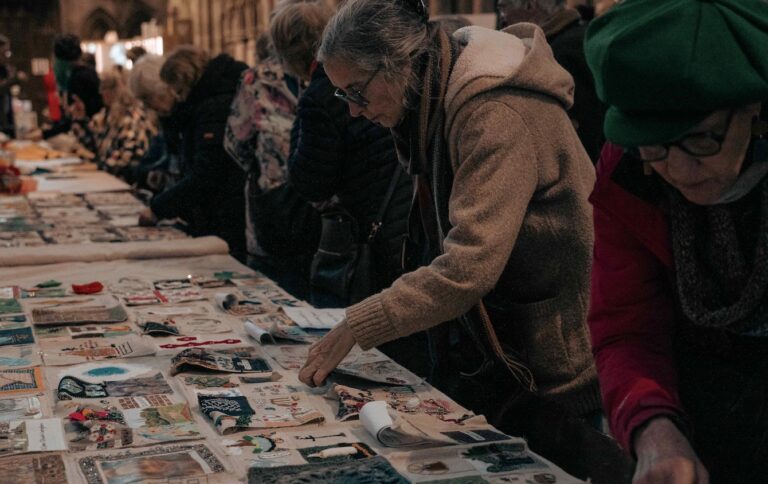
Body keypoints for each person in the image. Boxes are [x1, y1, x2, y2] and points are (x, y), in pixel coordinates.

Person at [300, 0, 599, 430]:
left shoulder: (493, 112)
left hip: (553, 371)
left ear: (397, 63)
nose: (353, 110)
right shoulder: (437, 96)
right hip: (509, 356)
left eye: (356, 91)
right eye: (342, 94)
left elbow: (467, 267)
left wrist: (356, 325)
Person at [584, 1, 768, 482]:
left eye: (703, 138)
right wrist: (654, 429)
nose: (682, 171)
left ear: (752, 106)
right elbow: (626, 327)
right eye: (657, 147)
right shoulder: (628, 172)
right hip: (703, 413)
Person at [270, 0, 414, 309]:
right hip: (401, 219)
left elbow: (309, 181)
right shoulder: (361, 83)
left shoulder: (319, 96)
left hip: (372, 230)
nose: (354, 109)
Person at [224, 32, 317, 299]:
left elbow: (235, 142)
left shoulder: (257, 80)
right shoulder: (328, 71)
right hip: (321, 205)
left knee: (275, 290)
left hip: (276, 201)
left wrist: (265, 167)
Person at [138, 46, 248, 261]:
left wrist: (158, 208)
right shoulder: (208, 99)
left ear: (182, 83)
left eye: (176, 91)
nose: (177, 99)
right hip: (217, 213)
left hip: (225, 215)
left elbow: (207, 173)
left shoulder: (213, 106)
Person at [496, 0, 604, 162]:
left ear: (529, 6)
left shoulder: (556, 52)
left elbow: (582, 128)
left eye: (503, 8)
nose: (502, 19)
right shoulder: (583, 36)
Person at [71, 70, 156, 182]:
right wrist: (80, 121)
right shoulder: (107, 115)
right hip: (106, 179)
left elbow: (125, 162)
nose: (100, 92)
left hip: (122, 182)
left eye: (105, 88)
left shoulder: (131, 118)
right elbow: (93, 147)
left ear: (116, 90)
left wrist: (96, 167)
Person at [45, 34, 103, 139]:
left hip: (90, 135)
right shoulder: (84, 73)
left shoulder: (79, 77)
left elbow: (75, 117)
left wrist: (45, 134)